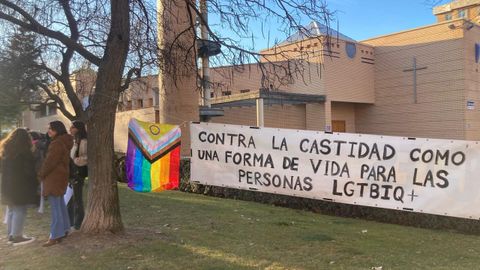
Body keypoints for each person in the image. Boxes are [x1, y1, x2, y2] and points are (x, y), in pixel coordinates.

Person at [0, 128, 39, 246]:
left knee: (12, 209)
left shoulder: (5, 151)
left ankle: (11, 235)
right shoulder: (25, 153)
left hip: (7, 184)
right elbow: (29, 172)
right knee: (20, 210)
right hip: (20, 185)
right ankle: (17, 236)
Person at [38, 121, 73, 247]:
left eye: (51, 129)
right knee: (60, 205)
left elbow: (50, 162)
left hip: (54, 178)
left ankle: (55, 235)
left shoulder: (57, 143)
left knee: (55, 208)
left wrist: (41, 174)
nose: (49, 131)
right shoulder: (64, 141)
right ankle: (64, 229)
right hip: (61, 176)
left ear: (57, 130)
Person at [68, 121, 87, 230]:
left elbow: (86, 157)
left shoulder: (84, 141)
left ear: (78, 129)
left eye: (72, 127)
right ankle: (71, 222)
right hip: (71, 172)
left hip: (78, 172)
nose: (70, 129)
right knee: (71, 198)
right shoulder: (75, 141)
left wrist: (75, 161)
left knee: (77, 199)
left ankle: (78, 223)